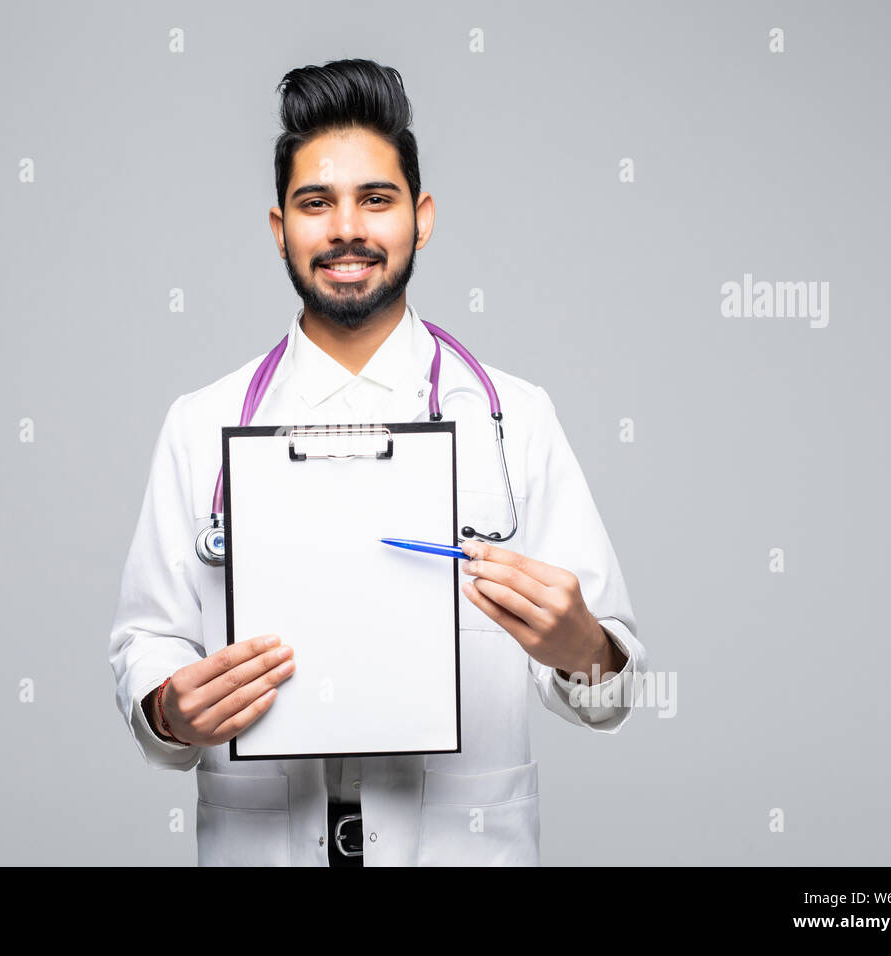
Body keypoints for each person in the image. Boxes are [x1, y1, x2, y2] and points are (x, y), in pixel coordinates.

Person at [108, 58, 646, 867]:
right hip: (264, 839)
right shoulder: (202, 425)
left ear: (421, 218)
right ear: (279, 227)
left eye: (376, 200)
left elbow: (612, 686)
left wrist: (584, 652)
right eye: (315, 204)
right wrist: (168, 709)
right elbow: (148, 638)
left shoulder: (513, 419)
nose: (346, 229)